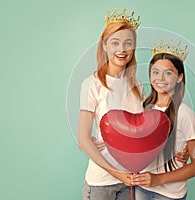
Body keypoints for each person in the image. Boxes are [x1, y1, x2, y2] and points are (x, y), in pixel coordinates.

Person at [78, 8, 144, 200]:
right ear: (104, 46)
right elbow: (83, 139)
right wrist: (116, 172)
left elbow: (141, 133)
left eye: (128, 43)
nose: (122, 49)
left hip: (131, 180)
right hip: (101, 183)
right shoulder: (91, 84)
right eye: (115, 42)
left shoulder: (138, 86)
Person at [132, 40, 195, 200]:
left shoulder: (185, 114)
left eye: (168, 73)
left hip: (169, 195)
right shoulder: (143, 107)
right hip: (141, 189)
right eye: (155, 72)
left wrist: (157, 179)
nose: (160, 78)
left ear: (179, 77)